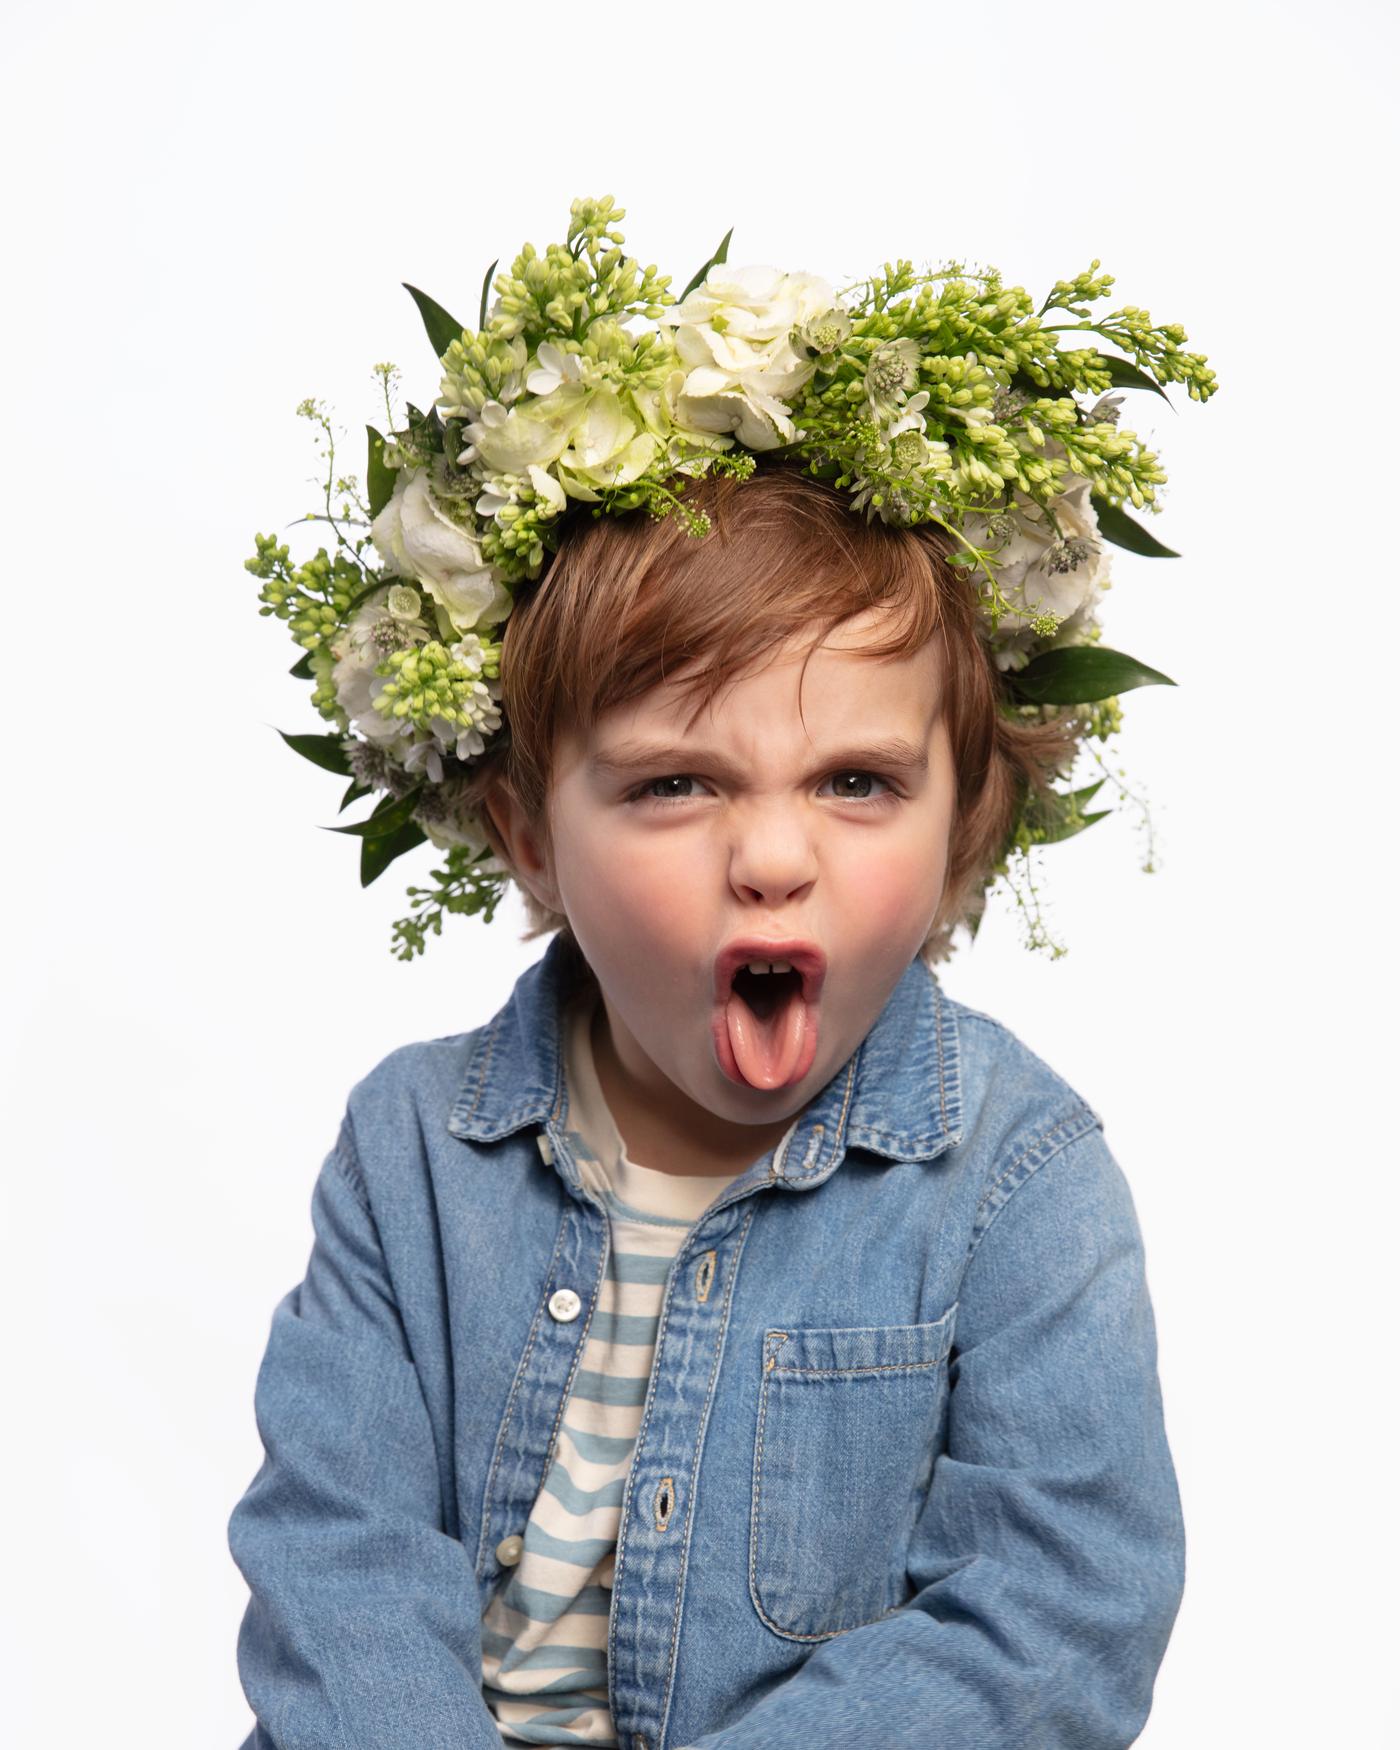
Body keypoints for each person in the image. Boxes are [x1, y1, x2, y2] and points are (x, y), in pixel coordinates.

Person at [231, 203, 1211, 1747]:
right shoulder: (413, 1153)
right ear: (525, 833)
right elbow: (335, 1557)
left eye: (858, 783)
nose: (771, 856)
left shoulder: (1019, 1182)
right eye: (677, 785)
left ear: (970, 825)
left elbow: (1053, 1612)